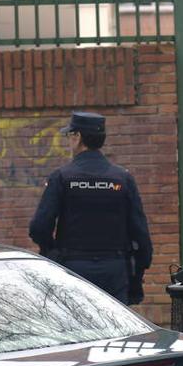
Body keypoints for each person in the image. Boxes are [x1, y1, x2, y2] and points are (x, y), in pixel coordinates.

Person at [29, 112, 153, 304]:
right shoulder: (122, 178)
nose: (69, 140)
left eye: (70, 135)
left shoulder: (62, 177)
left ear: (78, 137)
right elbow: (140, 232)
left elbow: (39, 227)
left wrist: (53, 252)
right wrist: (139, 268)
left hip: (72, 268)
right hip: (115, 270)